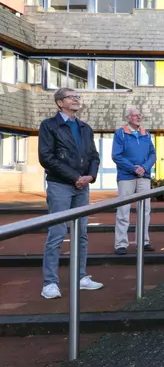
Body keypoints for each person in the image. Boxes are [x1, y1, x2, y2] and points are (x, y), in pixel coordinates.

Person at [38, 88, 104, 299]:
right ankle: (49, 283)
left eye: (77, 97)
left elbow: (94, 156)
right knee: (57, 233)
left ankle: (80, 277)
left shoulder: (85, 128)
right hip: (60, 185)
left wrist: (90, 177)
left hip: (82, 186)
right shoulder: (49, 125)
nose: (76, 99)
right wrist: (74, 176)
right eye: (71, 96)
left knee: (81, 233)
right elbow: (46, 157)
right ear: (60, 103)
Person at [111, 106, 157, 255]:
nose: (139, 117)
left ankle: (143, 242)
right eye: (135, 115)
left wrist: (143, 167)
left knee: (145, 210)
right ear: (127, 118)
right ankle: (120, 244)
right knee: (123, 211)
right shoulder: (120, 133)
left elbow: (153, 154)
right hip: (126, 177)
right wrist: (133, 168)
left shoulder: (146, 134)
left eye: (139, 115)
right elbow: (116, 156)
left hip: (144, 176)